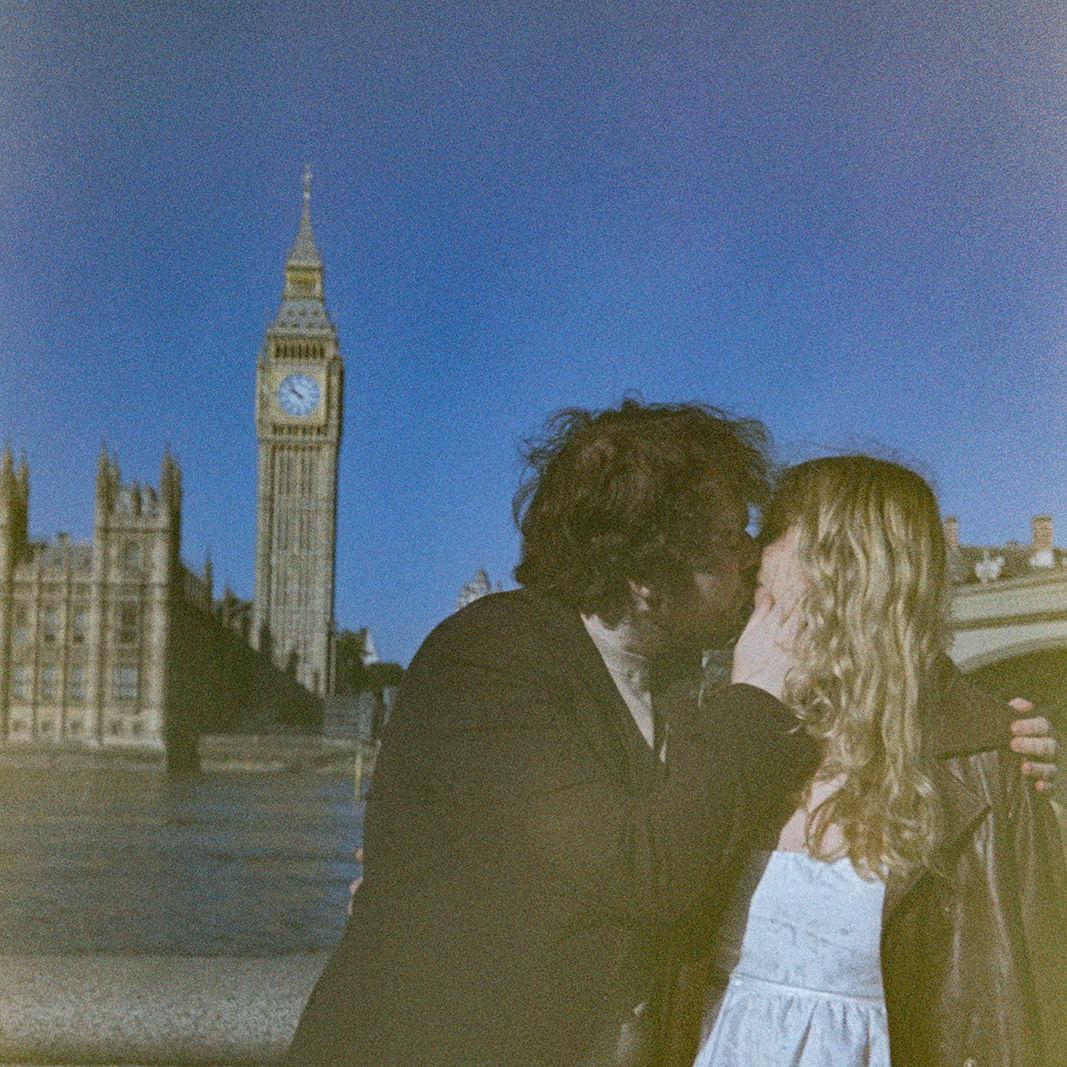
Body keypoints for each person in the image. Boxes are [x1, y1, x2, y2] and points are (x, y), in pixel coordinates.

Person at [286, 402, 1057, 1066]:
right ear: (649, 573)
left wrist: (986, 739)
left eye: (763, 531)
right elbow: (641, 868)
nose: (749, 553)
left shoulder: (689, 694)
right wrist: (753, 693)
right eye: (731, 535)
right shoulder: (503, 653)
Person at [675, 456, 1066, 1067]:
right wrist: (743, 705)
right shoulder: (715, 730)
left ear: (843, 564)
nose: (749, 553)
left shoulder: (989, 762)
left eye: (771, 530)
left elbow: (1028, 1000)